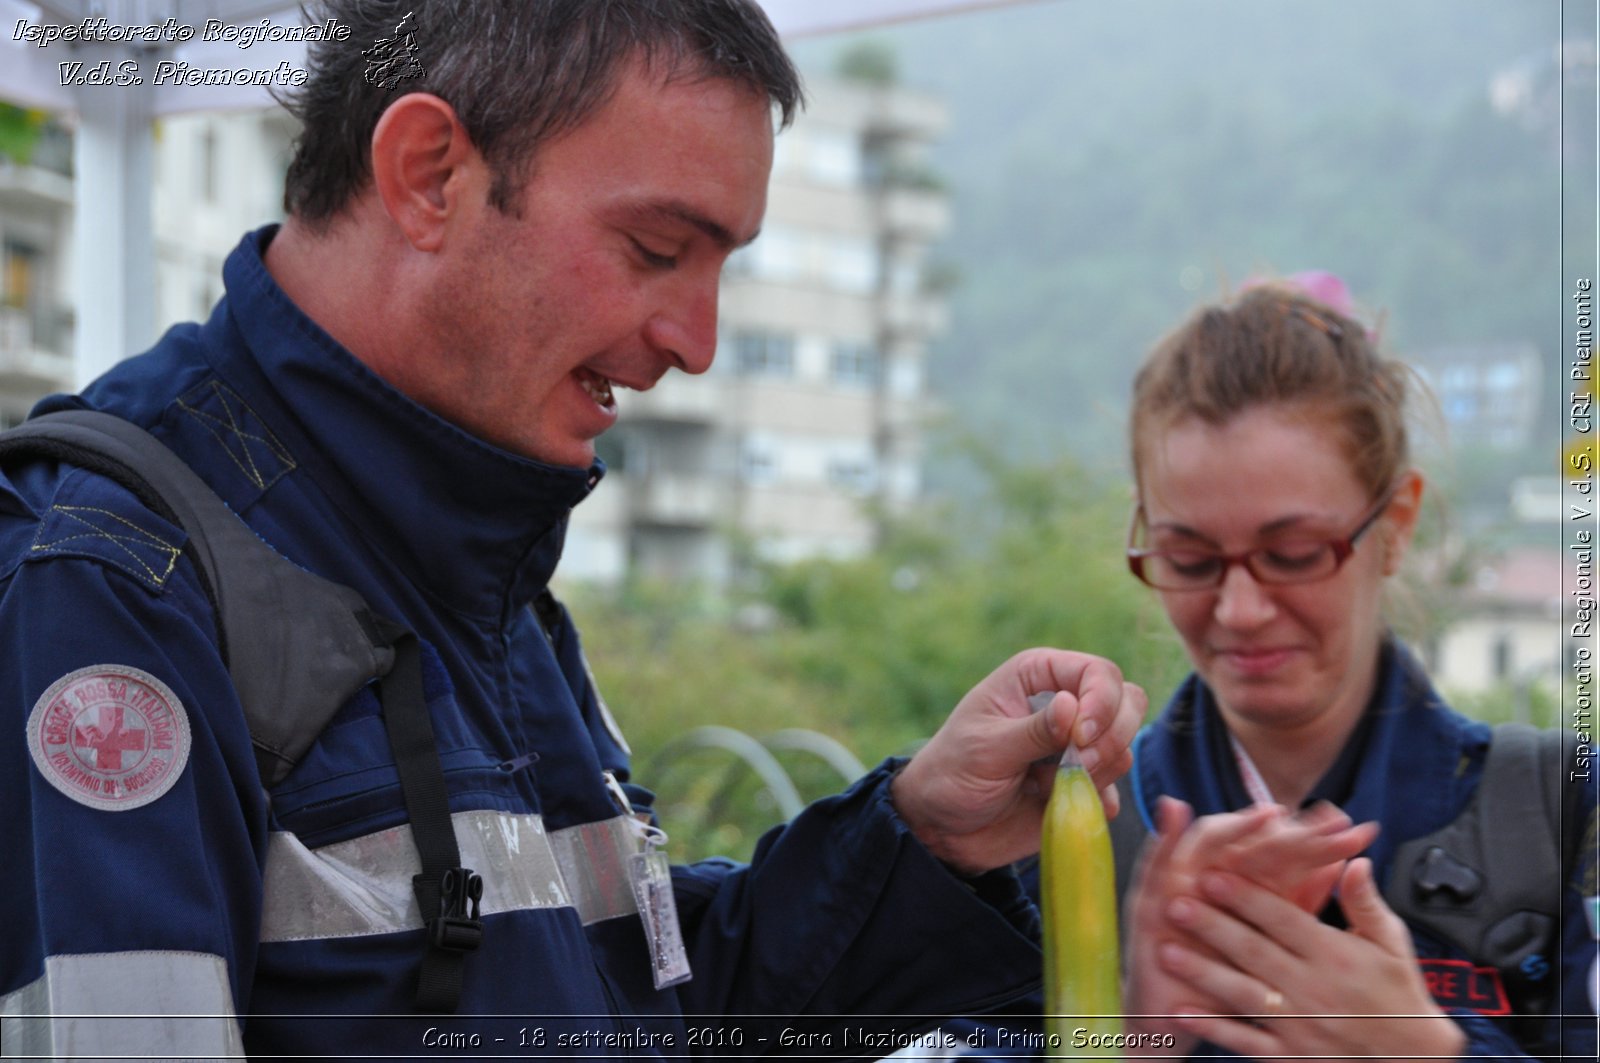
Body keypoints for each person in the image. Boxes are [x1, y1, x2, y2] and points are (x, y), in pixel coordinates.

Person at [0, 1, 1150, 1057]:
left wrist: (918, 838)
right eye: (656, 249)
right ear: (427, 174)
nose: (696, 341)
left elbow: (641, 1012)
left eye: (721, 268)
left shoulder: (478, 556)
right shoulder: (111, 583)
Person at [1111, 276, 1598, 1060]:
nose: (1238, 607)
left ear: (1396, 524)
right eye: (1189, 557)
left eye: (1294, 554)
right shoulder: (1069, 842)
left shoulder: (1568, 818)